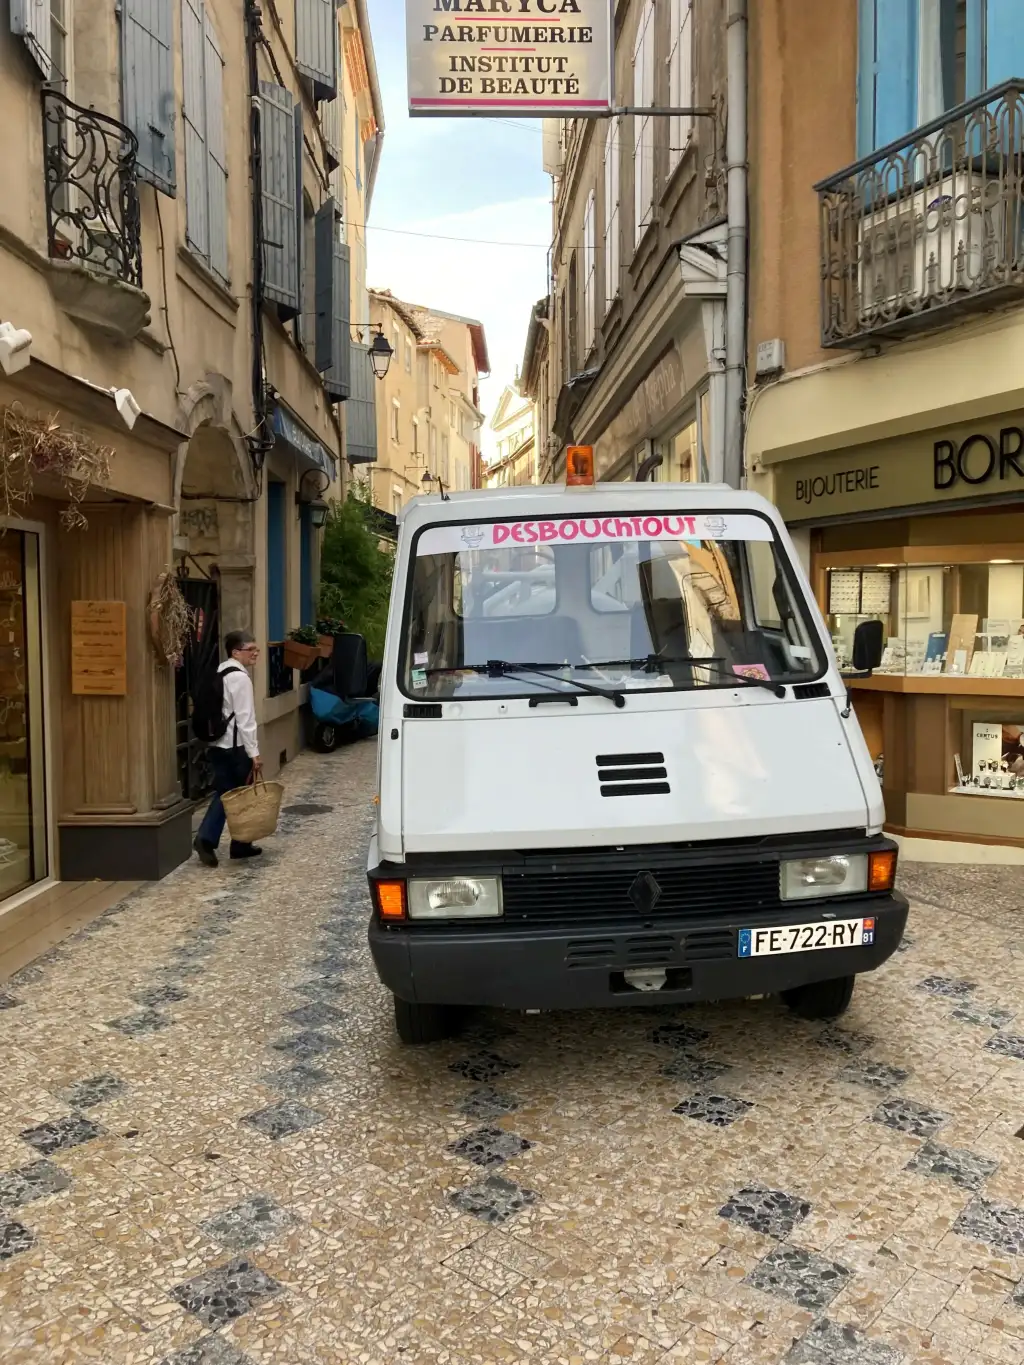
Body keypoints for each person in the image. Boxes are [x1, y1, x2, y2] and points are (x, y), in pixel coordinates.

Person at [193, 630, 263, 867]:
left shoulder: (221, 671)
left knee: (231, 793)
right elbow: (246, 718)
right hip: (236, 747)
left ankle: (241, 844)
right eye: (251, 649)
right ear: (236, 652)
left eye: (256, 649)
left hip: (217, 744)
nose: (256, 653)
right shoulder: (241, 678)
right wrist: (254, 753)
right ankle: (206, 838)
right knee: (232, 795)